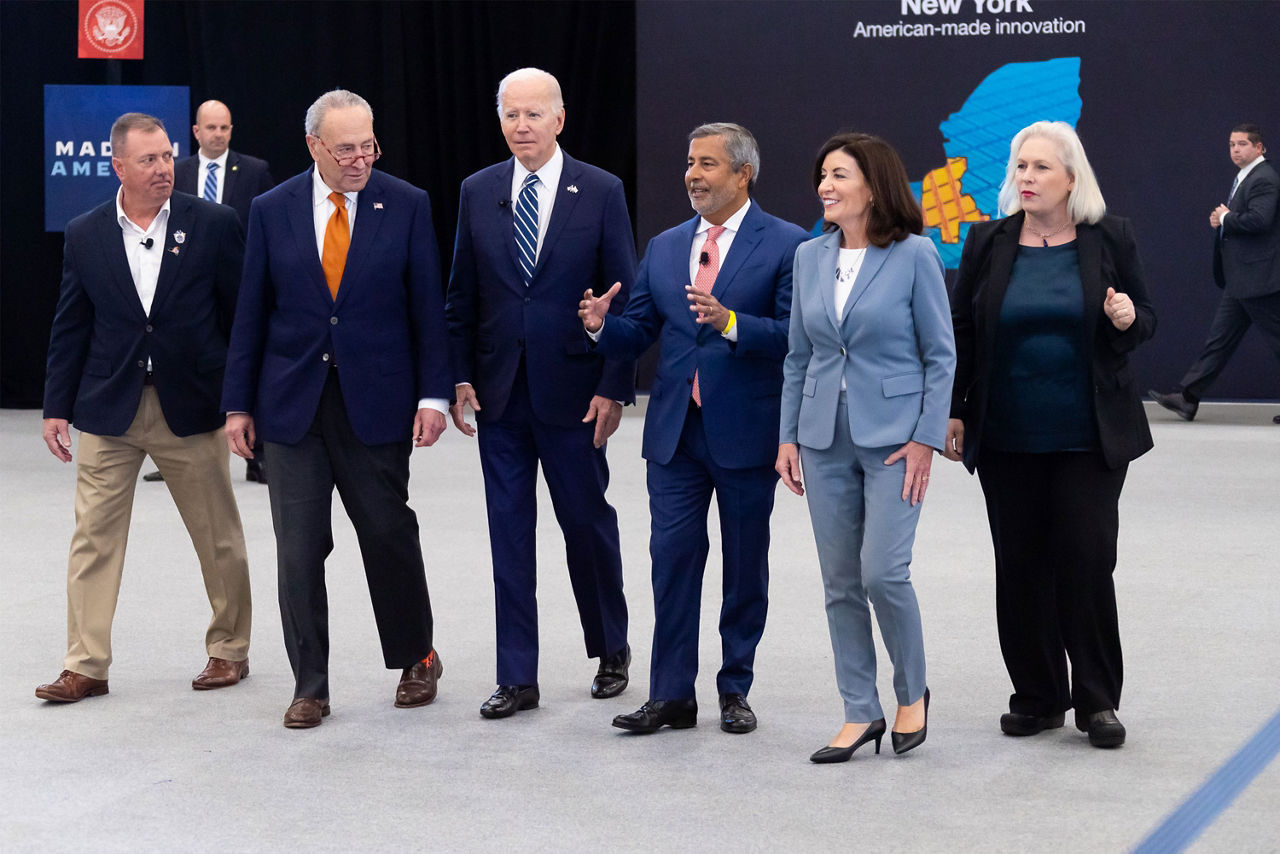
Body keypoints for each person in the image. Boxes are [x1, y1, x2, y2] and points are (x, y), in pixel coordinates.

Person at [222, 90, 451, 729]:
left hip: (376, 402)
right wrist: (238, 403)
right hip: (290, 406)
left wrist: (434, 394)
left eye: (368, 145)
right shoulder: (271, 210)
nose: (360, 159)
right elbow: (250, 313)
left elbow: (426, 308)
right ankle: (310, 686)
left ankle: (417, 656)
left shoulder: (405, 204)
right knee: (297, 548)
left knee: (386, 532)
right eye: (346, 148)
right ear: (313, 147)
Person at [580, 123, 806, 735]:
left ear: (742, 175)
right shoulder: (666, 244)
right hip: (675, 434)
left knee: (744, 563)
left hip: (745, 431)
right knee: (671, 560)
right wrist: (603, 326)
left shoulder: (788, 244)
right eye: (689, 163)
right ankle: (671, 695)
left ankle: (735, 688)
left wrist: (733, 322)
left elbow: (796, 337)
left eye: (707, 164)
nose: (693, 175)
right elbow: (639, 332)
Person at [943, 121, 1155, 748]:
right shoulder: (986, 240)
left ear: (1071, 178)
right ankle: (1037, 697)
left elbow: (1145, 319)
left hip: (1089, 436)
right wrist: (954, 410)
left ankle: (1096, 701)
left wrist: (1126, 317)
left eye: (1040, 168)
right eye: (1020, 167)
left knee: (1086, 563)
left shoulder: (1109, 237)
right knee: (1021, 566)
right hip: (1007, 434)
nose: (1026, 178)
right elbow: (963, 332)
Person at [37, 112, 252, 702]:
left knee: (218, 536)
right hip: (109, 409)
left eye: (167, 157)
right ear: (118, 166)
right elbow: (71, 324)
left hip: (192, 405)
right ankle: (85, 664)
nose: (164, 170)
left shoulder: (213, 224)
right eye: (149, 160)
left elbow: (241, 320)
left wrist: (242, 401)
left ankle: (229, 649)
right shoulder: (85, 233)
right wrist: (57, 405)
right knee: (92, 539)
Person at [446, 67, 635, 720]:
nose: (520, 126)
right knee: (508, 536)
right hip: (499, 395)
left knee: (585, 526)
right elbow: (462, 295)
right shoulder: (477, 191)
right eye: (510, 114)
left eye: (533, 114)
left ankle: (611, 644)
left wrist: (615, 385)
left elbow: (625, 298)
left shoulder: (601, 191)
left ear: (559, 118)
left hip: (576, 394)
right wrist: (459, 374)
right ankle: (516, 676)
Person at [776, 133, 954, 762]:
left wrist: (927, 437)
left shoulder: (914, 255)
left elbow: (941, 354)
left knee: (882, 572)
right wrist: (789, 436)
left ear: (873, 187)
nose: (825, 185)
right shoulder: (807, 257)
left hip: (895, 441)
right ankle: (860, 711)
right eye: (823, 174)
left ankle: (912, 692)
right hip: (823, 439)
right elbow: (800, 355)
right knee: (840, 581)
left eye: (840, 175)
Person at [144, 99, 276, 485]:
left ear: (231, 131)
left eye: (225, 128)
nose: (218, 134)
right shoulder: (177, 172)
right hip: (185, 288)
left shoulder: (254, 171)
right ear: (196, 132)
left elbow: (268, 225)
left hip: (239, 281)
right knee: (180, 365)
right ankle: (171, 453)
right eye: (211, 128)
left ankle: (259, 454)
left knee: (247, 360)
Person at [1148, 123, 1280, 424]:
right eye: (1232, 144)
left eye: (1243, 144)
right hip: (1242, 281)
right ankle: (1188, 398)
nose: (1235, 149)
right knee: (1218, 342)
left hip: (1259, 281)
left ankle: (1188, 397)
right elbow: (1245, 221)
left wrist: (1227, 217)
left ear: (1259, 148)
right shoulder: (1247, 178)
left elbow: (1260, 220)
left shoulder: (1264, 178)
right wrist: (1225, 221)